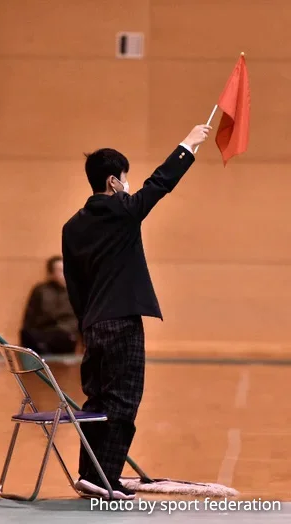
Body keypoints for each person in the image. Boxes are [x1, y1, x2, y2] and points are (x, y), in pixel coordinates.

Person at [62, 124, 211, 500]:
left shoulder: (72, 227)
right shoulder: (124, 212)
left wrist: (85, 325)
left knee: (97, 400)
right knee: (123, 400)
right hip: (122, 322)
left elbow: (74, 285)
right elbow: (160, 183)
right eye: (125, 178)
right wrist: (188, 146)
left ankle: (89, 472)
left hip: (93, 324)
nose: (129, 185)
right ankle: (105, 479)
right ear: (113, 181)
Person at [20, 256, 79, 355]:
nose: (63, 274)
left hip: (65, 334)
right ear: (51, 273)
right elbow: (30, 316)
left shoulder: (73, 291)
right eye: (60, 271)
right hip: (43, 333)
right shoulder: (40, 290)